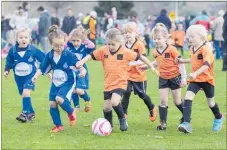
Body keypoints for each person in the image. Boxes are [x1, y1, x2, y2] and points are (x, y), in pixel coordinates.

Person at [76, 28, 157, 131]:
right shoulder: (103, 50)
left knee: (114, 102)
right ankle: (109, 126)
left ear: (120, 42)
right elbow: (91, 55)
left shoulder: (125, 51)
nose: (110, 46)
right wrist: (82, 61)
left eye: (113, 44)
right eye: (109, 44)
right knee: (106, 107)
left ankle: (122, 118)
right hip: (108, 83)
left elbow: (141, 57)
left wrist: (151, 65)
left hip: (120, 82)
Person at [32, 25, 86, 133]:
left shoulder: (68, 54)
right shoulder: (49, 55)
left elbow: (78, 64)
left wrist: (83, 70)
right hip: (55, 82)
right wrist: (35, 75)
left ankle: (71, 112)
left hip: (68, 81)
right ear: (51, 44)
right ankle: (59, 126)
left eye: (61, 45)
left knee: (59, 99)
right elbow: (42, 67)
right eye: (56, 46)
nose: (59, 48)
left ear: (64, 43)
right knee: (52, 104)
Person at [177, 24, 224, 134]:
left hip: (207, 80)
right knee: (188, 97)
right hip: (195, 80)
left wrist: (195, 73)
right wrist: (182, 61)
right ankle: (186, 123)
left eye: (193, 36)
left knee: (211, 103)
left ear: (202, 37)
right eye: (189, 37)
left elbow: (206, 65)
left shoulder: (206, 49)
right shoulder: (192, 48)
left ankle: (218, 117)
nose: (190, 39)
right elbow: (194, 60)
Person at [141, 23, 187, 130]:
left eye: (159, 38)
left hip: (175, 77)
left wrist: (184, 78)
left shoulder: (172, 49)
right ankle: (163, 124)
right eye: (154, 39)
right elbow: (158, 62)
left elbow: (181, 63)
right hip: (163, 78)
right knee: (163, 101)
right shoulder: (155, 52)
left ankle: (186, 116)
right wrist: (148, 66)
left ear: (165, 38)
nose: (156, 41)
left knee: (177, 101)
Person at [4, 27, 45, 123]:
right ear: (17, 39)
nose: (23, 39)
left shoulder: (33, 50)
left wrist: (46, 71)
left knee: (26, 93)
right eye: (21, 37)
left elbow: (44, 59)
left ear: (30, 38)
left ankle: (24, 113)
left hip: (30, 77)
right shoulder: (13, 50)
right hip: (18, 78)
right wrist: (6, 70)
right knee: (23, 94)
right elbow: (9, 62)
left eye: (26, 37)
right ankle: (31, 113)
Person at [121, 22, 157, 121]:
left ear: (135, 33)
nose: (127, 34)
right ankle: (124, 113)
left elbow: (143, 59)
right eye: (125, 33)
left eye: (129, 32)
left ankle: (152, 107)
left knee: (142, 94)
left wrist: (131, 63)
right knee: (126, 92)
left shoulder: (139, 45)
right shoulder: (123, 46)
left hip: (139, 75)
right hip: (127, 74)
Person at [67, 26, 95, 112]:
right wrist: (69, 38)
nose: (75, 43)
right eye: (73, 40)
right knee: (73, 90)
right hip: (71, 70)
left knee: (79, 90)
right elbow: (63, 44)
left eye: (77, 41)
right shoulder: (69, 46)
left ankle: (87, 99)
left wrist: (84, 39)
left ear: (81, 40)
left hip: (82, 70)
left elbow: (92, 45)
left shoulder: (84, 47)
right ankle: (77, 106)